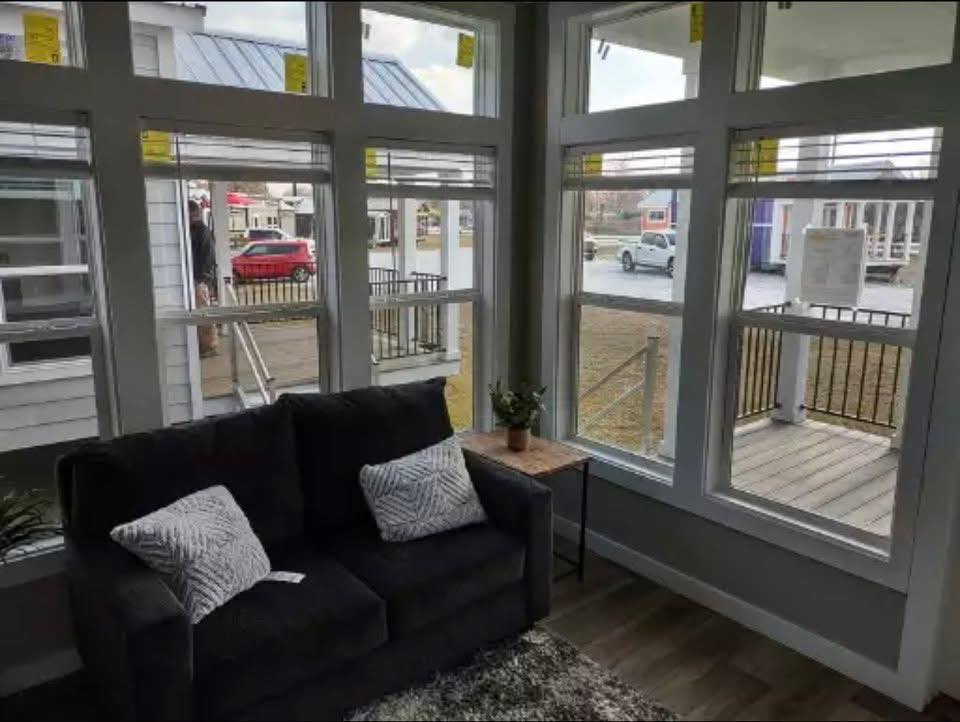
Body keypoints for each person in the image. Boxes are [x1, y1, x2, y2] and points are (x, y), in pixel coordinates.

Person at [188, 200, 219, 357]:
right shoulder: (192, 230)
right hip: (194, 278)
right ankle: (204, 345)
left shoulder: (201, 231)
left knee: (203, 312)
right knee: (201, 312)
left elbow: (208, 256)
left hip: (199, 280)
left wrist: (201, 278)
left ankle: (209, 346)